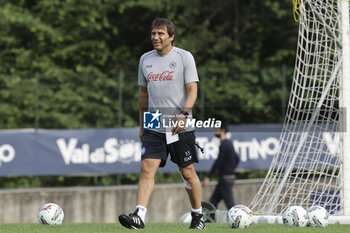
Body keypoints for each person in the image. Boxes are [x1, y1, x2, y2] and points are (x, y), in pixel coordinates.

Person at [118, 18, 205, 229]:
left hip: (178, 123)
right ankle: (139, 216)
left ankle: (198, 215)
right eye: (153, 34)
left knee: (187, 172)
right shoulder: (145, 59)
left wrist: (184, 114)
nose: (155, 38)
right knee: (147, 168)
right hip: (154, 122)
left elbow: (193, 90)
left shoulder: (184, 57)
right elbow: (142, 94)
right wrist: (142, 124)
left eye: (160, 34)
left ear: (171, 37)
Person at [202, 123, 240, 210]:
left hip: (225, 179)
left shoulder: (225, 144)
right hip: (225, 178)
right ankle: (209, 221)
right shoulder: (228, 143)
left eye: (216, 129)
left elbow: (218, 162)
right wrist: (230, 170)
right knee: (213, 202)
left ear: (222, 131)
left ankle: (239, 219)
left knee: (230, 205)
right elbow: (237, 159)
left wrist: (208, 177)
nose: (214, 131)